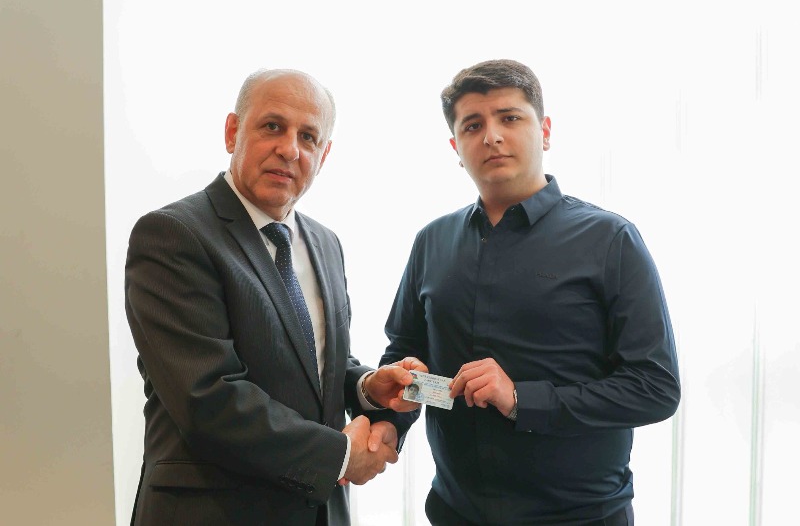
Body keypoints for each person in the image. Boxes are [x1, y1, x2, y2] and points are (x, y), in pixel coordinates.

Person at [378, 59, 681, 525]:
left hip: (580, 517)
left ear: (545, 131)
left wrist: (521, 399)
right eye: (473, 125)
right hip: (455, 512)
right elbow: (406, 354)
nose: (492, 136)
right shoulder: (431, 241)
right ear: (456, 147)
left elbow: (654, 388)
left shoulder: (611, 239)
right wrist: (391, 418)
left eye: (510, 117)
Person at [125, 68, 423, 526]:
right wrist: (342, 456)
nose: (289, 149)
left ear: (324, 155)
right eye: (272, 126)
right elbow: (208, 397)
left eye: (308, 137)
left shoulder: (325, 243)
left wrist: (366, 387)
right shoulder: (173, 234)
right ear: (232, 132)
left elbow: (314, 364)